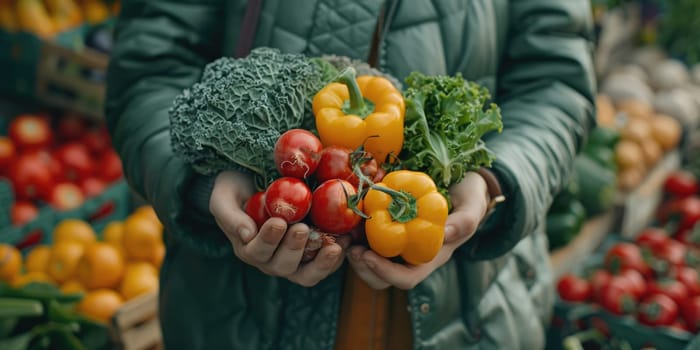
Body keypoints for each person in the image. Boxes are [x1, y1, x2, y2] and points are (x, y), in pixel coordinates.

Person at [105, 0, 596, 349]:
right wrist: (203, 182)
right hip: (237, 310)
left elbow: (557, 83)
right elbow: (148, 71)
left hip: (470, 309)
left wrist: (495, 182)